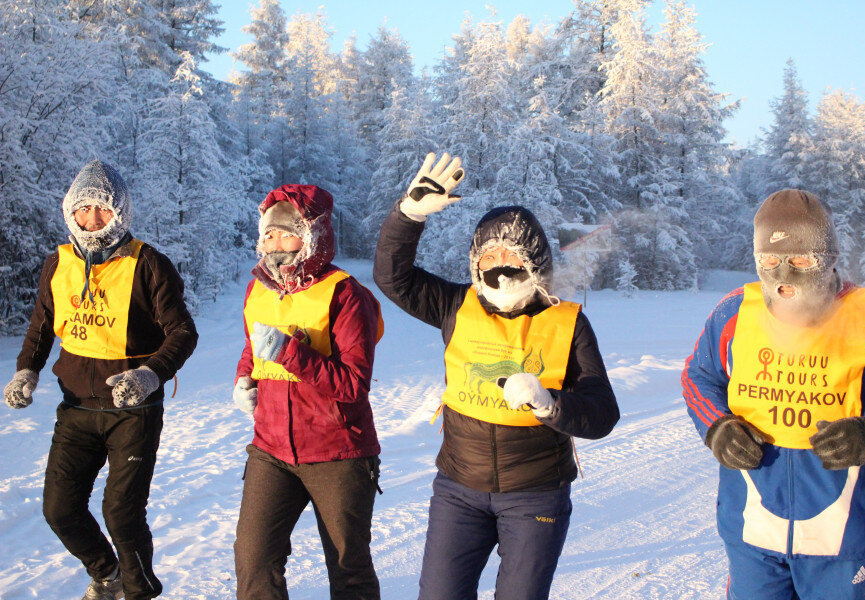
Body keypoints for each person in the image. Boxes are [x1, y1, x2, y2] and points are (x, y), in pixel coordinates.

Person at [373, 152, 620, 600]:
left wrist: (550, 403)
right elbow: (393, 279)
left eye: (512, 254)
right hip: (458, 491)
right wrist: (408, 216)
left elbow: (603, 412)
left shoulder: (568, 323)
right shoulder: (455, 305)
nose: (500, 266)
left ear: (536, 260)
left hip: (536, 496)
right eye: (489, 255)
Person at [683, 189, 865, 599]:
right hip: (752, 534)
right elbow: (699, 377)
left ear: (828, 257)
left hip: (840, 537)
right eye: (769, 261)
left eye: (801, 261)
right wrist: (716, 426)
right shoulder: (734, 312)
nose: (784, 275)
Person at [3, 160, 198, 600]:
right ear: (69, 211)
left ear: (120, 213)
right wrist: (26, 370)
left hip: (133, 412)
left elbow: (183, 333)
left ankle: (139, 591)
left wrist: (149, 376)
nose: (92, 221)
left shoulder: (148, 263)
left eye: (103, 210)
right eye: (83, 209)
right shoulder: (59, 262)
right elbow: (40, 325)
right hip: (76, 407)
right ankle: (106, 575)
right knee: (59, 508)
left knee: (122, 514)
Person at [232, 184, 384, 600]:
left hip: (338, 452)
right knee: (253, 560)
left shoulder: (347, 295)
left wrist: (289, 352)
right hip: (270, 449)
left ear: (311, 235)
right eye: (269, 234)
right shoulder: (258, 288)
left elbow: (354, 384)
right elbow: (253, 345)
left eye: (287, 232)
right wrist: (244, 378)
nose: (276, 244)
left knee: (347, 568)